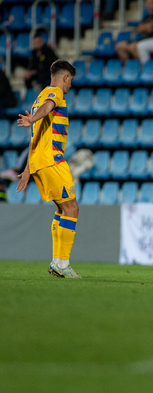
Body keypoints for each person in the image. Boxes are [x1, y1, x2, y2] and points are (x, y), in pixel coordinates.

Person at [15, 60, 81, 279]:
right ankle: (62, 264)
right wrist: (33, 117)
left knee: (62, 210)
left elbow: (36, 136)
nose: (69, 86)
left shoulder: (39, 96)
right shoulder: (54, 93)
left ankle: (57, 262)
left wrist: (27, 169)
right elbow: (49, 106)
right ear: (64, 77)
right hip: (53, 160)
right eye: (70, 80)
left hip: (39, 162)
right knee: (72, 209)